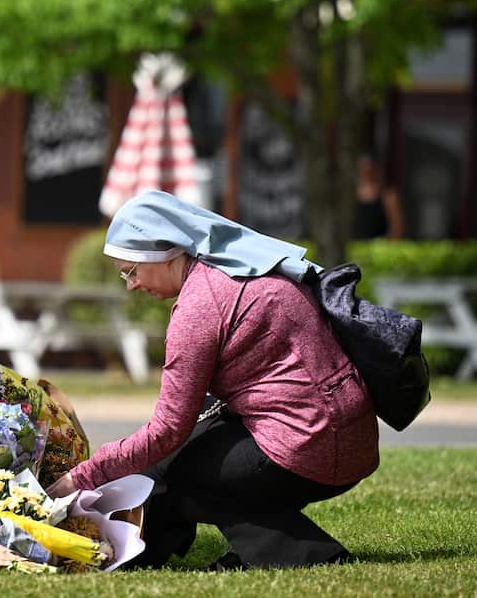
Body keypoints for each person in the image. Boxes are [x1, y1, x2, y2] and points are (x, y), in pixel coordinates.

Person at [46, 190, 379, 570]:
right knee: (187, 445)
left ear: (166, 252)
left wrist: (82, 475)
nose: (131, 285)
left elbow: (167, 431)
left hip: (315, 447)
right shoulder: (239, 268)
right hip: (352, 440)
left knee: (180, 466)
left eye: (132, 270)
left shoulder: (199, 307)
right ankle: (146, 547)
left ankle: (310, 554)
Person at [354, 153, 404, 240]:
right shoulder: (350, 197)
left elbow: (397, 227)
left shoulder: (388, 196)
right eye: (362, 170)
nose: (366, 173)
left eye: (370, 170)